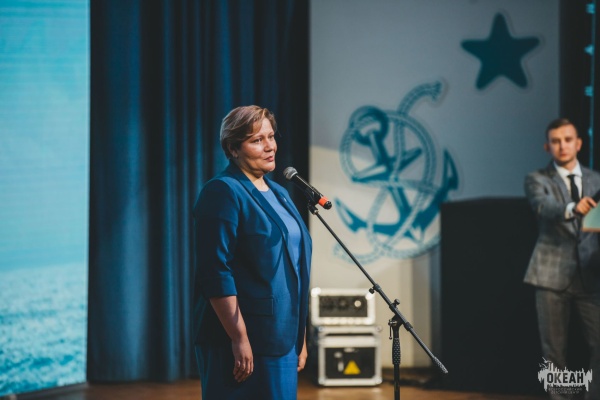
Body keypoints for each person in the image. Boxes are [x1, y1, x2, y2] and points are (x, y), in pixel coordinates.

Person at [192, 105, 312, 399]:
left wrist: (299, 335)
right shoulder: (223, 191)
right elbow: (215, 270)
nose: (270, 146)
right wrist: (239, 337)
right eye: (257, 140)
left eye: (271, 136)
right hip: (242, 339)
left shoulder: (280, 193)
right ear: (233, 148)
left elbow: (294, 268)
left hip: (283, 336)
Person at [524, 118, 600, 399]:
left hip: (590, 275)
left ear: (578, 143)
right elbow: (543, 207)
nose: (562, 146)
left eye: (568, 140)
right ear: (547, 147)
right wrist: (572, 208)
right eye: (556, 141)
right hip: (550, 275)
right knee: (554, 352)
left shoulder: (595, 179)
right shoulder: (538, 179)